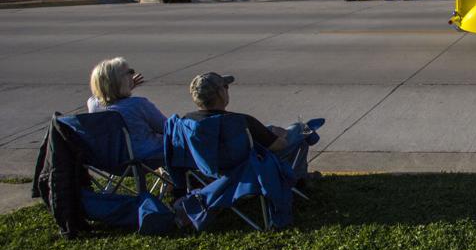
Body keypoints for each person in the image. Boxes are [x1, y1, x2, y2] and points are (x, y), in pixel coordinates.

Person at [185, 72, 319, 182]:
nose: (227, 90)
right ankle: (301, 178)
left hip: (210, 176)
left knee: (272, 130)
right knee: (301, 130)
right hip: (249, 175)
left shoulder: (186, 122)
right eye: (226, 86)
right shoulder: (239, 121)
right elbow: (280, 145)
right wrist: (281, 135)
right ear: (220, 93)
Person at [86, 57, 167, 165]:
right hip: (145, 157)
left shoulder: (93, 105)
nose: (132, 75)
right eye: (130, 72)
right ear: (121, 80)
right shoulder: (138, 105)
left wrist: (121, 88)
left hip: (111, 160)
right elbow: (166, 128)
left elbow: (103, 95)